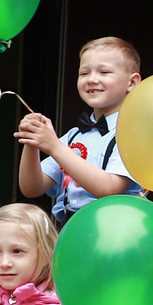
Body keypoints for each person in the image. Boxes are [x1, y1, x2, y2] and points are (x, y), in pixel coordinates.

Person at [15, 37, 142, 226]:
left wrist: (54, 146)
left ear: (131, 82)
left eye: (104, 72)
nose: (92, 79)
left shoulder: (133, 133)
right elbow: (32, 188)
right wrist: (33, 142)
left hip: (115, 231)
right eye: (84, 73)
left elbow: (108, 188)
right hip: (70, 229)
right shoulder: (74, 135)